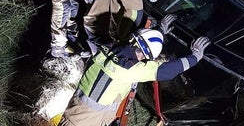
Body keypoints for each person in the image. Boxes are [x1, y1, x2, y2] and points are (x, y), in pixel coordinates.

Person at [59, 14, 211, 126]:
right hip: (84, 120)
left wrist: (159, 31)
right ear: (146, 56)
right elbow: (166, 71)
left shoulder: (113, 48)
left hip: (81, 108)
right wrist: (195, 56)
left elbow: (144, 42)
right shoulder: (129, 69)